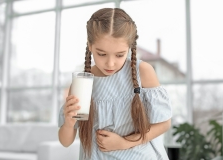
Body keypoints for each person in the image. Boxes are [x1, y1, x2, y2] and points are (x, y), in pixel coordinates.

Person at [58, 8, 172, 160]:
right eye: (102, 54)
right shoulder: (82, 83)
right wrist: (68, 123)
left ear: (129, 48)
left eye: (120, 55)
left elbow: (164, 124)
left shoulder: (143, 71)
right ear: (90, 45)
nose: (110, 63)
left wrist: (124, 143)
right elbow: (65, 142)